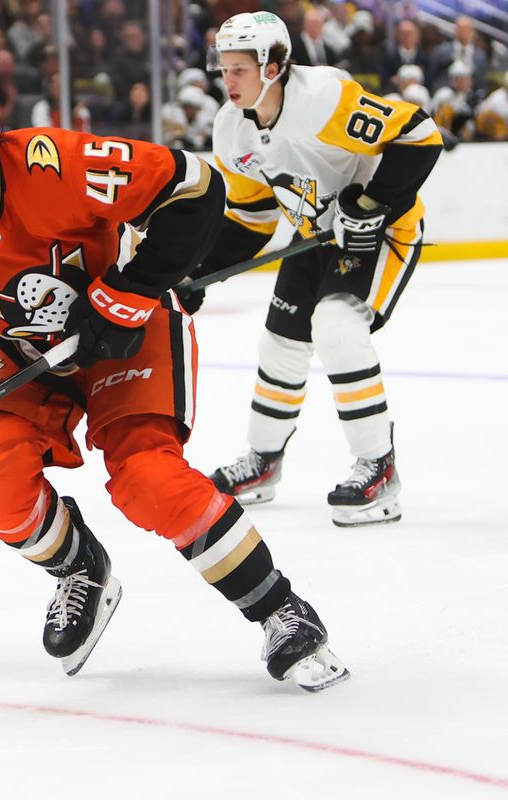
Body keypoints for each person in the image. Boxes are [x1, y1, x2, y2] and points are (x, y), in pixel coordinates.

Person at [0, 62, 349, 691]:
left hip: (127, 330)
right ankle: (80, 568)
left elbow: (197, 188)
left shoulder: (55, 164)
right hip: (23, 350)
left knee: (147, 478)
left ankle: (281, 612)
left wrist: (130, 289)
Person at [189, 12, 442, 527]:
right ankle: (263, 461)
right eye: (225, 68)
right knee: (280, 341)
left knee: (336, 325)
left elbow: (421, 135)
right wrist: (198, 271)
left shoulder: (324, 98)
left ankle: (379, 466)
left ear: (275, 66)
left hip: (383, 228)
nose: (228, 80)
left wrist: (370, 203)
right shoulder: (231, 130)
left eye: (240, 69)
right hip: (315, 235)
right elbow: (253, 220)